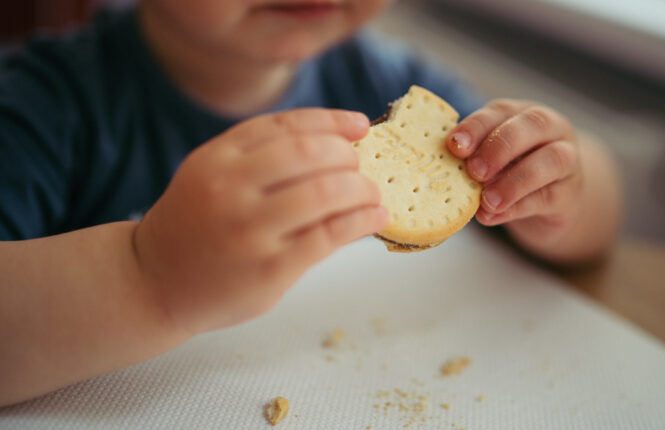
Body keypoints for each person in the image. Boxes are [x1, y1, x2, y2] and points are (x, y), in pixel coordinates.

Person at [0, 0, 621, 406]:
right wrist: (145, 275)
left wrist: (560, 185)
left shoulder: (386, 80)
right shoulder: (40, 108)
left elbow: (600, 226)